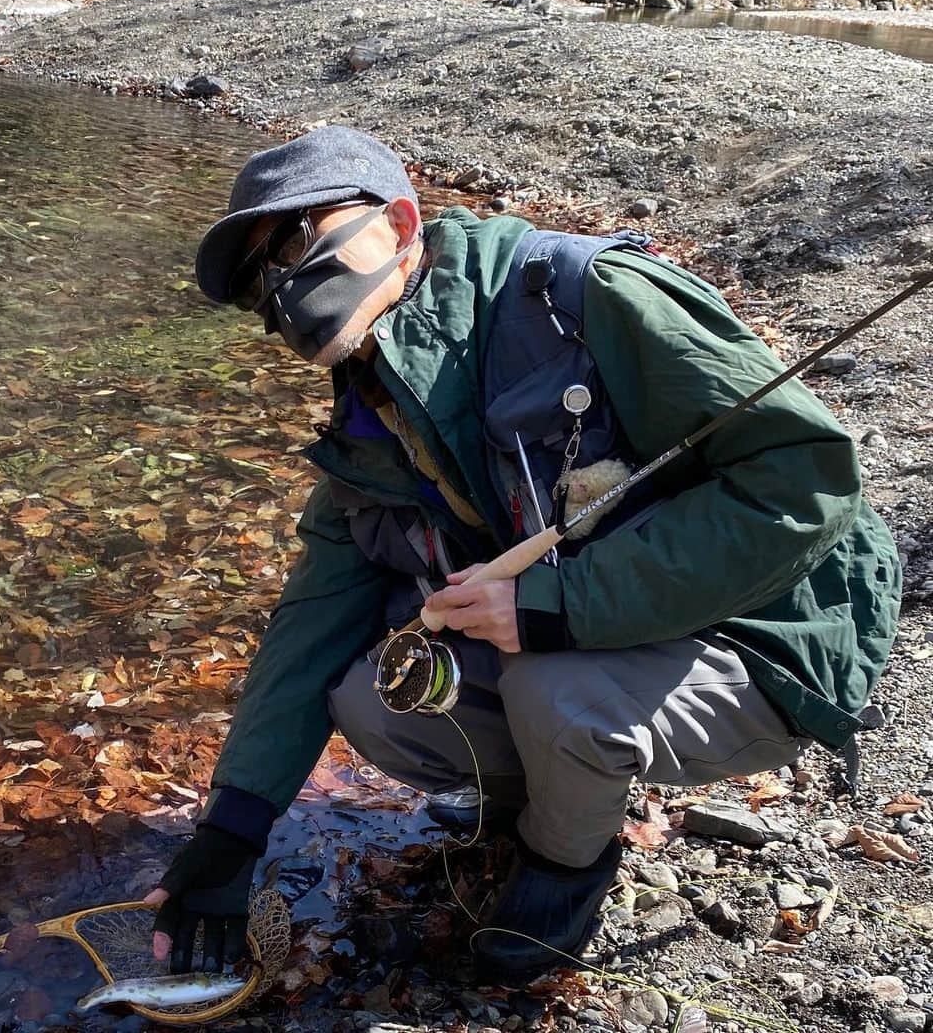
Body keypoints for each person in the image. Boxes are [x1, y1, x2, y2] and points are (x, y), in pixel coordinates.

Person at [142, 125, 902, 978]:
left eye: (292, 242)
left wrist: (556, 606)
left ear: (398, 223)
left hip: (772, 633)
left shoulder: (587, 295)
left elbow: (804, 485)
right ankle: (543, 799)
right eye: (255, 280)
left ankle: (564, 868)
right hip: (604, 633)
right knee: (370, 694)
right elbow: (310, 625)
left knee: (554, 687)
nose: (280, 286)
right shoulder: (369, 423)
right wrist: (231, 830)